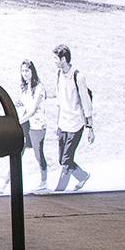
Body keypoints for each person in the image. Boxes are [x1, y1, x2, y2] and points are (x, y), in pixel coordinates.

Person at [0, 60, 48, 193]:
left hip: (37, 125)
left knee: (39, 155)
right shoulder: (25, 87)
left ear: (32, 71)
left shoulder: (39, 88)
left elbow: (32, 110)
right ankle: (4, 184)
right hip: (27, 125)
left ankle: (44, 182)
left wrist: (18, 121)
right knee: (17, 152)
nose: (25, 73)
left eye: (27, 70)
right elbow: (24, 103)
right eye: (23, 71)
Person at [51, 44, 93, 192]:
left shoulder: (78, 77)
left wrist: (90, 128)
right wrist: (57, 125)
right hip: (63, 124)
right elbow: (60, 102)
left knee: (66, 162)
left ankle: (58, 191)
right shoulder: (58, 74)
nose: (54, 61)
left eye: (56, 58)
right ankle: (83, 176)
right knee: (62, 159)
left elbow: (86, 103)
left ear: (63, 59)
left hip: (76, 124)